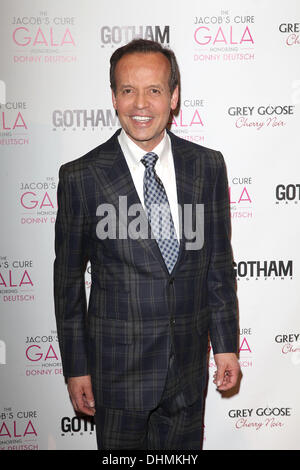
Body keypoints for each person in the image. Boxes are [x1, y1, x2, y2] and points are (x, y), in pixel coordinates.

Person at [54, 38, 240, 450]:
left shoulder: (208, 166)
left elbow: (218, 265)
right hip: (116, 375)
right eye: (128, 90)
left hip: (188, 373)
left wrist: (226, 345)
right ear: (114, 98)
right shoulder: (82, 176)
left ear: (173, 97)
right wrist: (76, 367)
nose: (141, 103)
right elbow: (67, 283)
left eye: (154, 90)